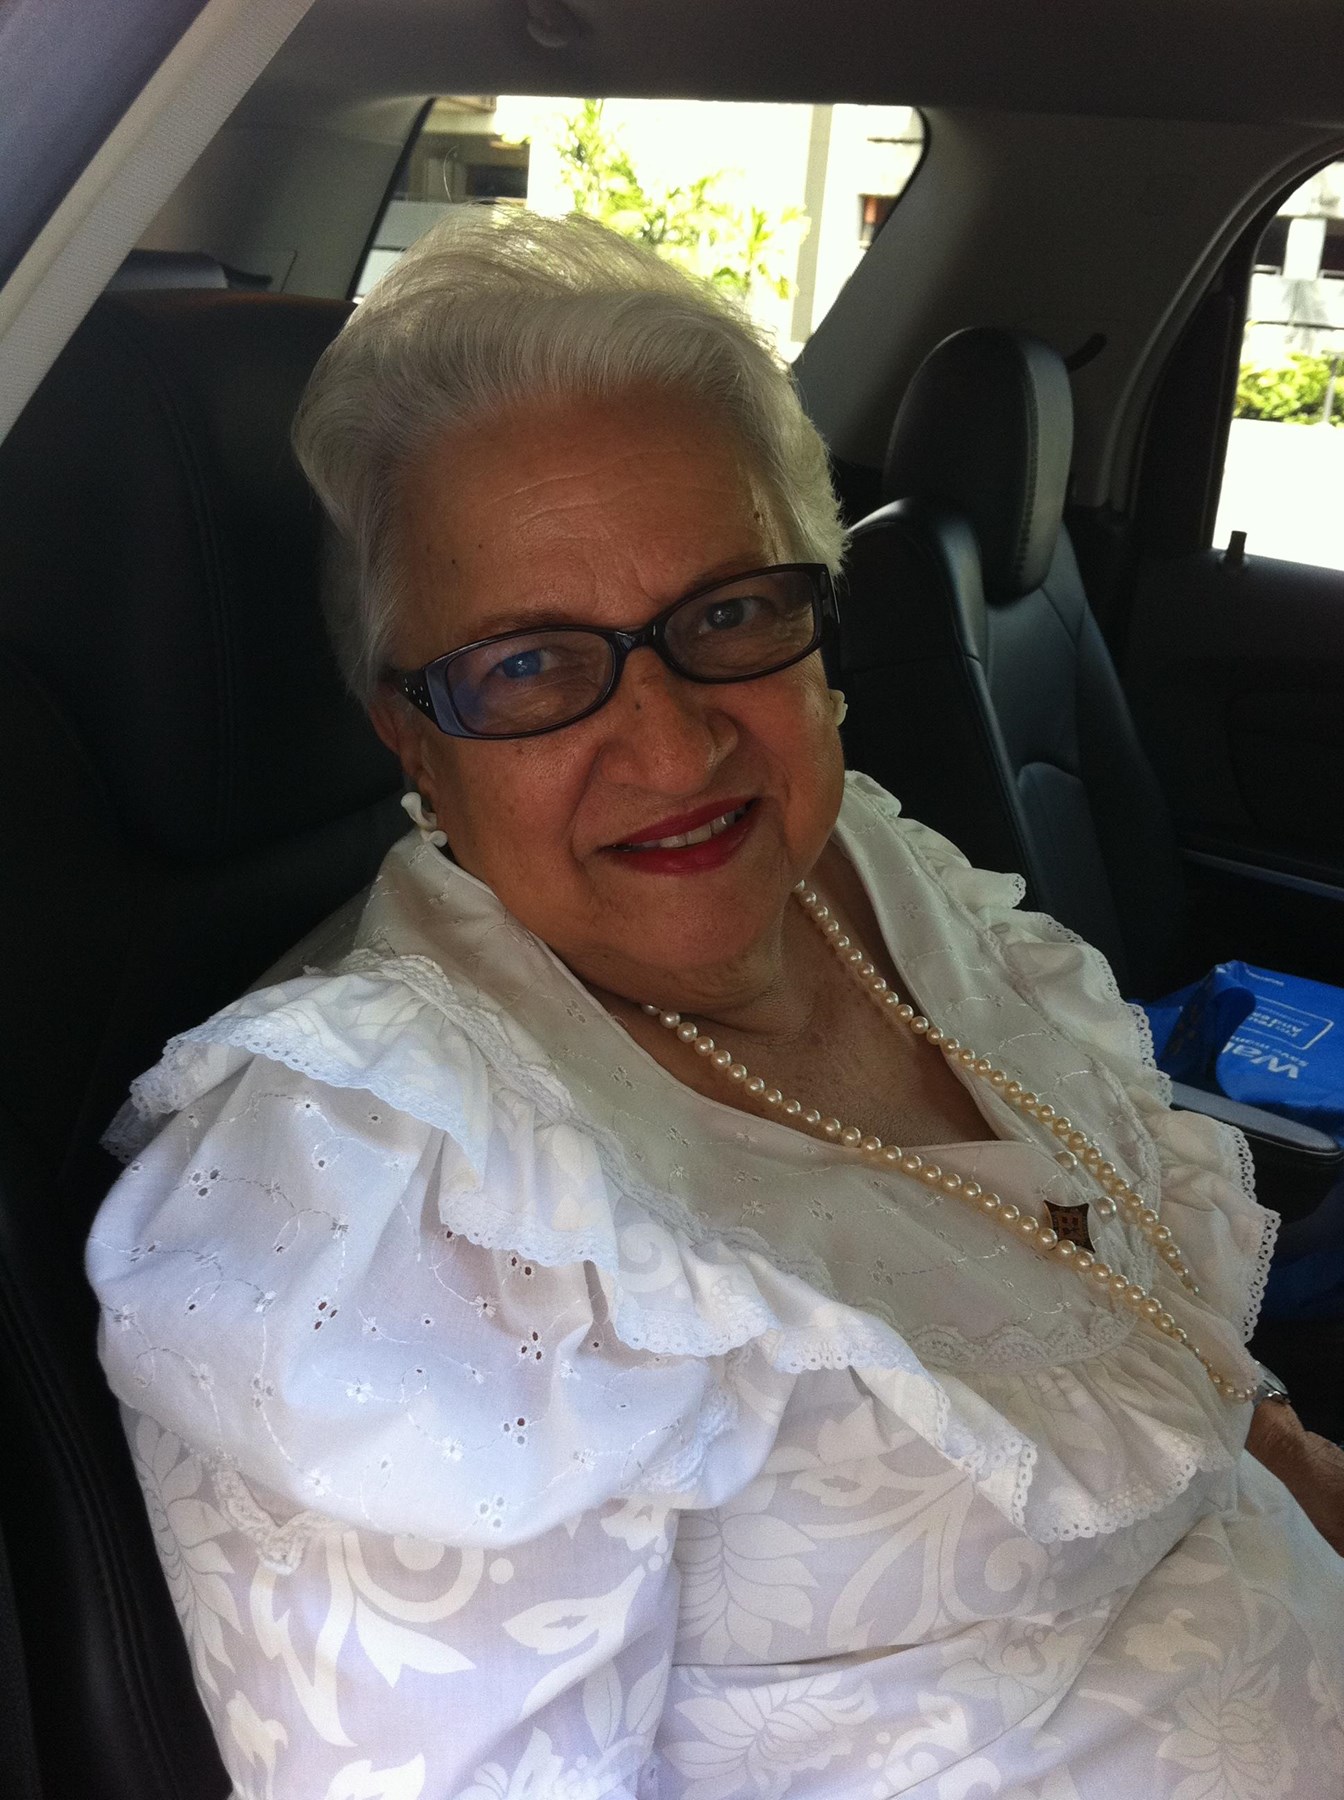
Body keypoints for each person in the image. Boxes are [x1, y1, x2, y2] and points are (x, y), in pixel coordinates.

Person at [88, 210, 1343, 1800]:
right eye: (529, 665)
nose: (677, 748)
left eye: (731, 612)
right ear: (411, 735)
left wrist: (1285, 1462)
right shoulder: (377, 1194)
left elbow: (1152, 1341)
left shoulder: (865, 864)